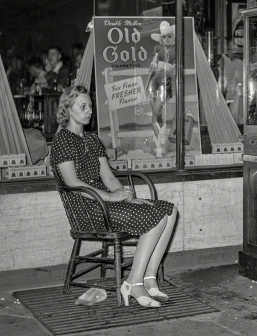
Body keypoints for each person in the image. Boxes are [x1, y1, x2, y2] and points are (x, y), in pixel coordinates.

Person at [50, 85, 177, 308]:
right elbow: (73, 183)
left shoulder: (92, 140)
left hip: (104, 201)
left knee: (170, 210)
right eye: (83, 106)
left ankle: (148, 278)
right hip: (88, 208)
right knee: (156, 217)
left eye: (90, 106)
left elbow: (108, 178)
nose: (89, 110)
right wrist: (110, 198)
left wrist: (126, 197)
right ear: (68, 109)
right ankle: (133, 282)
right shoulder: (62, 141)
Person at [145, 21, 176, 157]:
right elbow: (154, 61)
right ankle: (159, 140)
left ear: (172, 37)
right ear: (161, 39)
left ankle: (159, 144)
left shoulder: (175, 51)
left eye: (169, 36)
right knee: (155, 112)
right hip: (154, 80)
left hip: (165, 82)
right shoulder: (158, 48)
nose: (167, 39)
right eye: (164, 37)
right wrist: (153, 64)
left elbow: (174, 68)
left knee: (155, 112)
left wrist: (168, 67)